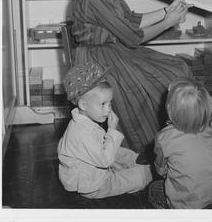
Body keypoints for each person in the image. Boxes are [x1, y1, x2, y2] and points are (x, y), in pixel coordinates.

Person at [71, 0, 191, 153]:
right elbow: (133, 37)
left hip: (112, 50)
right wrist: (169, 21)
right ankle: (151, 149)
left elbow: (129, 19)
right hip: (98, 60)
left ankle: (173, 140)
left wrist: (167, 11)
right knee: (160, 79)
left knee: (177, 67)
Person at [57, 61, 152, 198]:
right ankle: (147, 171)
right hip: (93, 185)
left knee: (121, 152)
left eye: (110, 103)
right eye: (102, 104)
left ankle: (136, 161)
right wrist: (112, 130)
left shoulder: (84, 119)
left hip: (94, 168)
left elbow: (101, 148)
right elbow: (105, 161)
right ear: (83, 105)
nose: (108, 109)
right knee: (141, 176)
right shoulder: (81, 132)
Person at [149, 77, 212, 209]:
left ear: (170, 110)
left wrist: (165, 172)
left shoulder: (163, 138)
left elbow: (160, 168)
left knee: (153, 189)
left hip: (186, 204)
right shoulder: (209, 131)